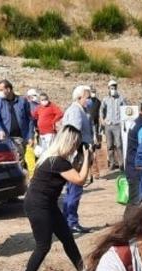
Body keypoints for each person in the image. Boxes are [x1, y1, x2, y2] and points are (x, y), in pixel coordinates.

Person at [18, 127, 92, 271]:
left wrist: (81, 157)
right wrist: (86, 156)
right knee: (43, 245)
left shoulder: (52, 158)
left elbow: (73, 173)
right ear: (70, 142)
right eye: (76, 144)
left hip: (47, 204)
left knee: (66, 237)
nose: (76, 147)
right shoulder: (57, 161)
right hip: (38, 205)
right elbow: (80, 180)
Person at [61, 85, 95, 234]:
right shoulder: (76, 111)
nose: (90, 100)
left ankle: (67, 220)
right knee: (75, 189)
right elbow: (74, 135)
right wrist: (84, 151)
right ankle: (71, 222)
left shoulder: (80, 110)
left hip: (78, 154)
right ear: (80, 97)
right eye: (88, 97)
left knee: (72, 190)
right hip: (78, 156)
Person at [0, 80, 34, 156]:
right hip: (6, 137)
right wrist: (0, 130)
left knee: (20, 159)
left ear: (8, 89)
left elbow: (30, 119)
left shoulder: (22, 101)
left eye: (1, 90)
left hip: (21, 137)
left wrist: (30, 136)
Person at [100, 79, 128, 171]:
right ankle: (112, 163)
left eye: (114, 87)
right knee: (109, 145)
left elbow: (126, 109)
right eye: (111, 87)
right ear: (108, 88)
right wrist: (102, 119)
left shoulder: (121, 98)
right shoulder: (105, 99)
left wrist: (124, 121)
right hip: (108, 125)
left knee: (119, 145)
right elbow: (101, 110)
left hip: (117, 125)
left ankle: (121, 163)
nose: (113, 89)